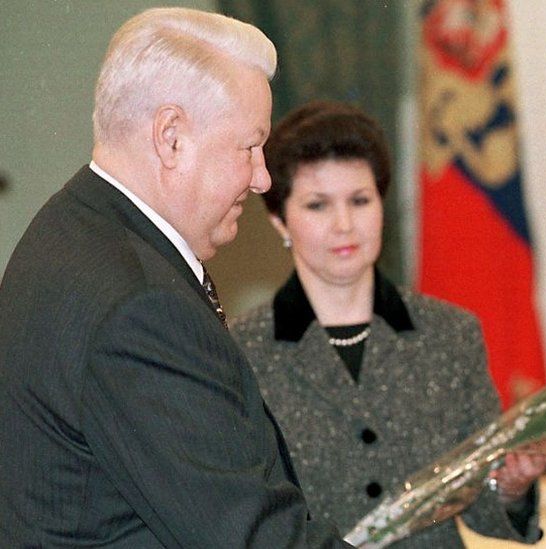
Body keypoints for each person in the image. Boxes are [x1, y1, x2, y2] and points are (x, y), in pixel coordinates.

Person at [0, 8, 349, 548]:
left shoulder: (69, 226)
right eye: (250, 147)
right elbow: (250, 537)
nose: (262, 178)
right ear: (171, 137)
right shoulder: (137, 306)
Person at [230, 100, 546, 547]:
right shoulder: (240, 351)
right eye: (318, 206)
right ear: (280, 220)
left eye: (360, 200)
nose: (344, 225)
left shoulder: (449, 334)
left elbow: (484, 509)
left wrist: (513, 485)